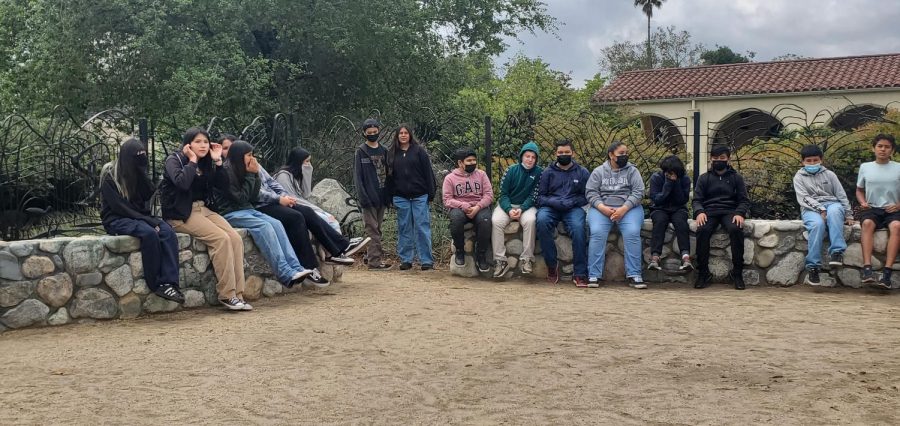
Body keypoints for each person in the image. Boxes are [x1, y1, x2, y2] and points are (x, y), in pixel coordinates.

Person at [220, 137, 368, 276]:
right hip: (262, 205)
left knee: (307, 211)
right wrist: (279, 199)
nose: (253, 158)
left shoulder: (255, 166)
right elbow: (255, 194)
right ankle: (309, 266)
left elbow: (272, 183)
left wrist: (284, 196)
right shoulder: (233, 171)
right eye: (249, 155)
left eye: (252, 154)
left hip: (275, 201)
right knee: (295, 217)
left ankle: (340, 247)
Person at [160, 127, 248, 311]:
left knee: (235, 239)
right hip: (181, 214)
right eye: (198, 141)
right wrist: (192, 162)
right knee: (221, 239)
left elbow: (224, 186)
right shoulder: (174, 160)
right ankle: (227, 295)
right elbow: (182, 183)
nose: (202, 145)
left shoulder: (207, 161)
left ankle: (238, 294)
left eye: (206, 142)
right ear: (188, 144)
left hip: (204, 209)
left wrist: (217, 161)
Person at [214, 140, 315, 291]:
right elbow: (240, 198)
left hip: (246, 209)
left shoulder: (244, 170)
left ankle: (296, 268)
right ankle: (286, 273)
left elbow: (253, 196)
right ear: (239, 156)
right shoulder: (226, 172)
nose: (252, 158)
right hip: (230, 213)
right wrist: (251, 175)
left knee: (276, 224)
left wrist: (255, 176)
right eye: (249, 155)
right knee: (264, 226)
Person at [101, 138, 183, 304]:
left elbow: (148, 194)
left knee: (167, 231)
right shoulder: (110, 174)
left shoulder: (137, 172)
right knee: (149, 234)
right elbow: (119, 207)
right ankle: (155, 283)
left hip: (139, 216)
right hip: (116, 219)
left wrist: (141, 171)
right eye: (138, 156)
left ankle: (170, 282)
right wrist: (148, 221)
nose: (142, 157)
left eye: (144, 155)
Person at [585, 141, 646, 289]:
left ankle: (634, 275)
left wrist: (623, 209)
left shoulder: (633, 171)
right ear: (611, 155)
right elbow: (591, 192)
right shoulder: (599, 171)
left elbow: (638, 192)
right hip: (602, 208)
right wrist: (602, 208)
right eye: (621, 154)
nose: (625, 156)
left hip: (629, 209)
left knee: (632, 232)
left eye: (626, 153)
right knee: (597, 232)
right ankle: (594, 275)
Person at [793, 144, 853, 286]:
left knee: (835, 212)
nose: (812, 163)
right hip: (810, 209)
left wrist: (849, 214)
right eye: (809, 161)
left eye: (815, 160)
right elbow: (804, 198)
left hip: (832, 203)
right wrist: (820, 209)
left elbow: (840, 194)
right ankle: (813, 266)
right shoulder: (798, 177)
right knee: (817, 225)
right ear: (803, 162)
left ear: (821, 160)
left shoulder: (830, 175)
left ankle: (837, 252)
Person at [692, 145, 751, 290]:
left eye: (722, 158)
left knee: (736, 229)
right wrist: (699, 212)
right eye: (716, 158)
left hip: (730, 211)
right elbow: (697, 200)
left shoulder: (736, 178)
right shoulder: (704, 178)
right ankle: (703, 273)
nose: (719, 161)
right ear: (711, 159)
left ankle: (737, 273)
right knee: (703, 230)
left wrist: (740, 213)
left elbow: (744, 200)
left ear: (728, 159)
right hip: (709, 211)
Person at [535, 139, 590, 286]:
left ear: (573, 153)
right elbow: (540, 197)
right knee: (541, 221)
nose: (563, 154)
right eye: (560, 152)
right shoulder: (548, 172)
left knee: (579, 229)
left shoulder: (582, 172)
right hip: (551, 207)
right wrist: (554, 202)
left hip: (573, 208)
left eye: (566, 152)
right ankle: (552, 266)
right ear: (555, 154)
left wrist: (572, 202)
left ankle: (579, 273)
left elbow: (587, 196)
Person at [386, 124, 436, 271]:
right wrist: (390, 196)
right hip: (401, 197)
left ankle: (426, 260)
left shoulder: (419, 152)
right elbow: (389, 177)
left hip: (420, 196)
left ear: (410, 135)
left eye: (405, 133)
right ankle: (406, 260)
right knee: (404, 228)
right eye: (400, 133)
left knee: (422, 227)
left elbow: (428, 173)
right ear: (397, 136)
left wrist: (430, 193)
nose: (403, 135)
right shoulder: (392, 153)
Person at [491, 141, 542, 278]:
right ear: (522, 157)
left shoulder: (539, 173)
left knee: (531, 221)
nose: (530, 159)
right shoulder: (511, 170)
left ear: (536, 159)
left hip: (527, 207)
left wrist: (522, 209)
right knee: (496, 221)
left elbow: (534, 196)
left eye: (533, 157)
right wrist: (509, 210)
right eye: (527, 156)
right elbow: (503, 194)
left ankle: (526, 259)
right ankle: (500, 261)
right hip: (507, 205)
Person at [855, 133, 900, 288]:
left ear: (892, 150)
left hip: (892, 208)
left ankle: (887, 273)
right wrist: (862, 202)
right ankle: (867, 269)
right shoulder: (865, 167)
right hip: (872, 207)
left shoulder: (898, 167)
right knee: (867, 223)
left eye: (887, 147)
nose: (883, 149)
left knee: (897, 227)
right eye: (880, 146)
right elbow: (859, 190)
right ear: (873, 148)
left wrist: (898, 205)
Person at [443, 147, 494, 273]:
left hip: (479, 207)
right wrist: (462, 205)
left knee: (486, 220)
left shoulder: (481, 175)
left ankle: (481, 253)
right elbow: (447, 200)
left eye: (474, 160)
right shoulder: (450, 178)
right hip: (460, 208)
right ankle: (460, 250)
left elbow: (489, 195)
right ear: (460, 163)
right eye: (468, 160)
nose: (472, 163)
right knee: (456, 219)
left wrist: (478, 207)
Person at [273, 147, 341, 233]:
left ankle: (341, 245)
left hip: (301, 208)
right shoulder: (283, 176)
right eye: (307, 161)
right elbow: (292, 199)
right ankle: (340, 246)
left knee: (332, 221)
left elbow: (306, 194)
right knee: (331, 222)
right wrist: (320, 211)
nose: (309, 165)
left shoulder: (296, 175)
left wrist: (307, 172)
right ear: (298, 162)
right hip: (291, 209)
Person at [354, 119, 392, 270]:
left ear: (379, 131)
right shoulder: (361, 151)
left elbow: (389, 174)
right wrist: (363, 197)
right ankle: (374, 262)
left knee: (377, 229)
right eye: (369, 133)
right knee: (372, 230)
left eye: (375, 132)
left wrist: (388, 195)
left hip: (381, 195)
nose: (372, 135)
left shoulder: (384, 150)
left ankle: (369, 256)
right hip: (368, 197)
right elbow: (358, 177)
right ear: (364, 133)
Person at [647, 155, 693, 272]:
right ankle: (655, 257)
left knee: (681, 222)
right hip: (659, 208)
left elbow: (682, 200)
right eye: (667, 172)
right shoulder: (656, 178)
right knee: (660, 221)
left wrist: (676, 183)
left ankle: (685, 256)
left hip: (678, 208)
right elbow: (657, 199)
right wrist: (667, 184)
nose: (670, 174)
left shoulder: (685, 179)